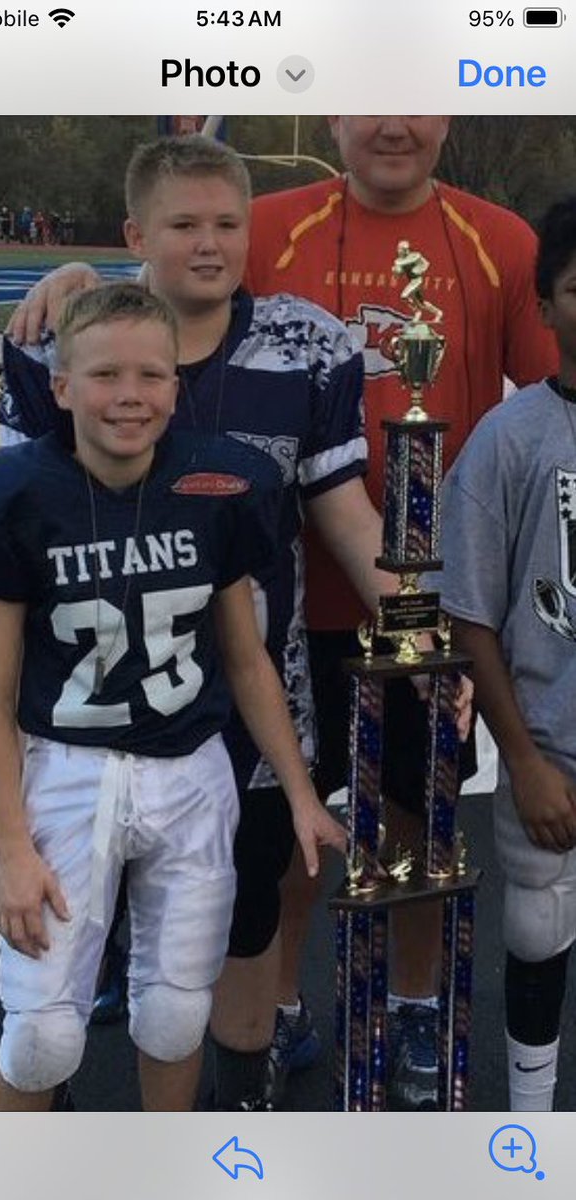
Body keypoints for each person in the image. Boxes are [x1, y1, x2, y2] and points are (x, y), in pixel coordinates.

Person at [2, 134, 471, 1111]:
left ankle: (237, 1106)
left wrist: (429, 635)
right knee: (56, 974)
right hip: (91, 718)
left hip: (250, 711)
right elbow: (19, 524)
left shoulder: (309, 345)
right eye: (183, 225)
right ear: (139, 232)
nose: (210, 245)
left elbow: (343, 511)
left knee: (242, 927)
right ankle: (36, 1120)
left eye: (227, 224)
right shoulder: (63, 335)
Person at [0, 281, 346, 1113]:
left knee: (171, 1015)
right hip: (67, 771)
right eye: (105, 375)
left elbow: (246, 657)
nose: (130, 396)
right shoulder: (15, 495)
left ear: (175, 384)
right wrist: (11, 847)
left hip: (191, 773)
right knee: (43, 1033)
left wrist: (299, 791)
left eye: (151, 376)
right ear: (59, 388)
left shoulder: (219, 484)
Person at [244, 115, 559, 1108]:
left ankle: (415, 1007)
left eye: (417, 97)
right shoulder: (260, 230)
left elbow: (562, 384)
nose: (394, 123)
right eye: (371, 96)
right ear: (330, 111)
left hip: (440, 611)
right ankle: (281, 1002)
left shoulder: (499, 240)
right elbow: (158, 307)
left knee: (417, 822)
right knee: (291, 823)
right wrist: (68, 285)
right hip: (290, 607)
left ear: (452, 112)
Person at [437, 196, 576, 1111]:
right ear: (545, 303)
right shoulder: (509, 438)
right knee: (536, 928)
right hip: (551, 748)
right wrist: (519, 759)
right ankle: (530, 1122)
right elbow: (468, 613)